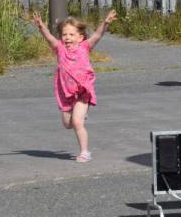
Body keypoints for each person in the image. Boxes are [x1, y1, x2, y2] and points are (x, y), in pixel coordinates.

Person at [30, 10, 117, 162]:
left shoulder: (85, 47)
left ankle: (85, 152)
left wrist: (106, 23)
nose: (67, 38)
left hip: (82, 91)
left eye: (71, 34)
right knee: (67, 124)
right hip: (65, 92)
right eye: (64, 35)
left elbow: (97, 35)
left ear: (80, 37)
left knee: (77, 122)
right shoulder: (59, 48)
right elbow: (49, 38)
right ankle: (80, 115)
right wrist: (41, 27)